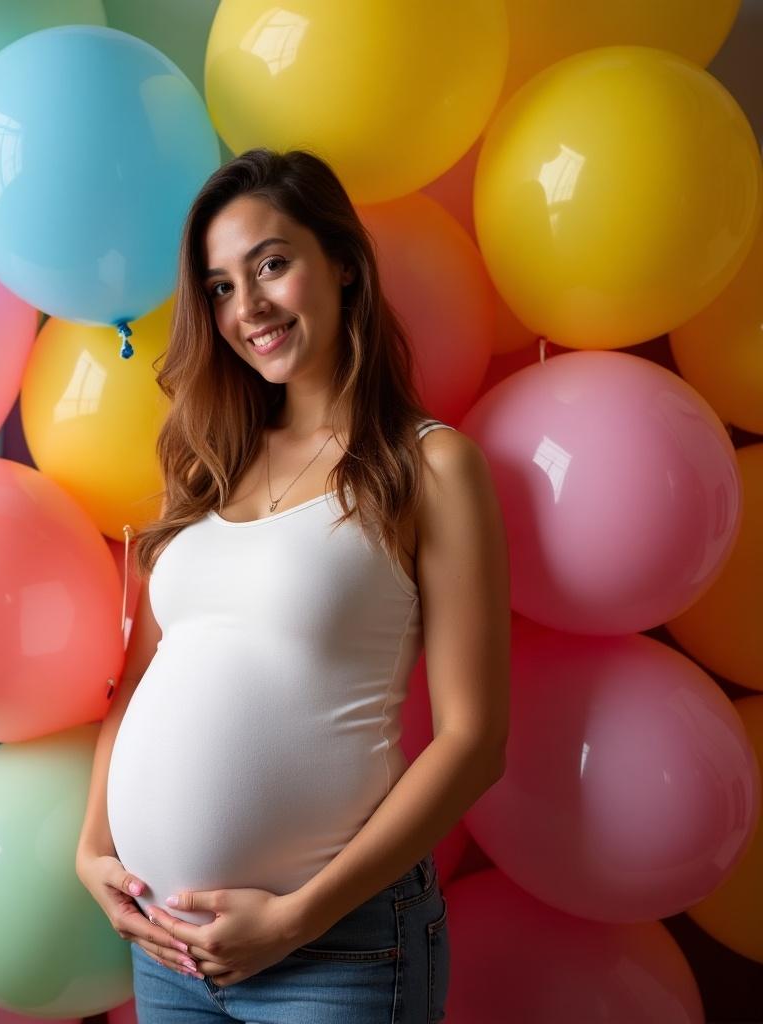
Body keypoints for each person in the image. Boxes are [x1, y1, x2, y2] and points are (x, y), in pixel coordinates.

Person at [76, 148, 510, 1023]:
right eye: (222, 287)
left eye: (271, 264)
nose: (250, 308)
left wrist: (293, 922)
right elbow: (139, 681)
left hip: (338, 947)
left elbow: (475, 740)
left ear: (344, 264)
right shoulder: (205, 467)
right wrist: (94, 848)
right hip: (168, 943)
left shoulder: (429, 467)